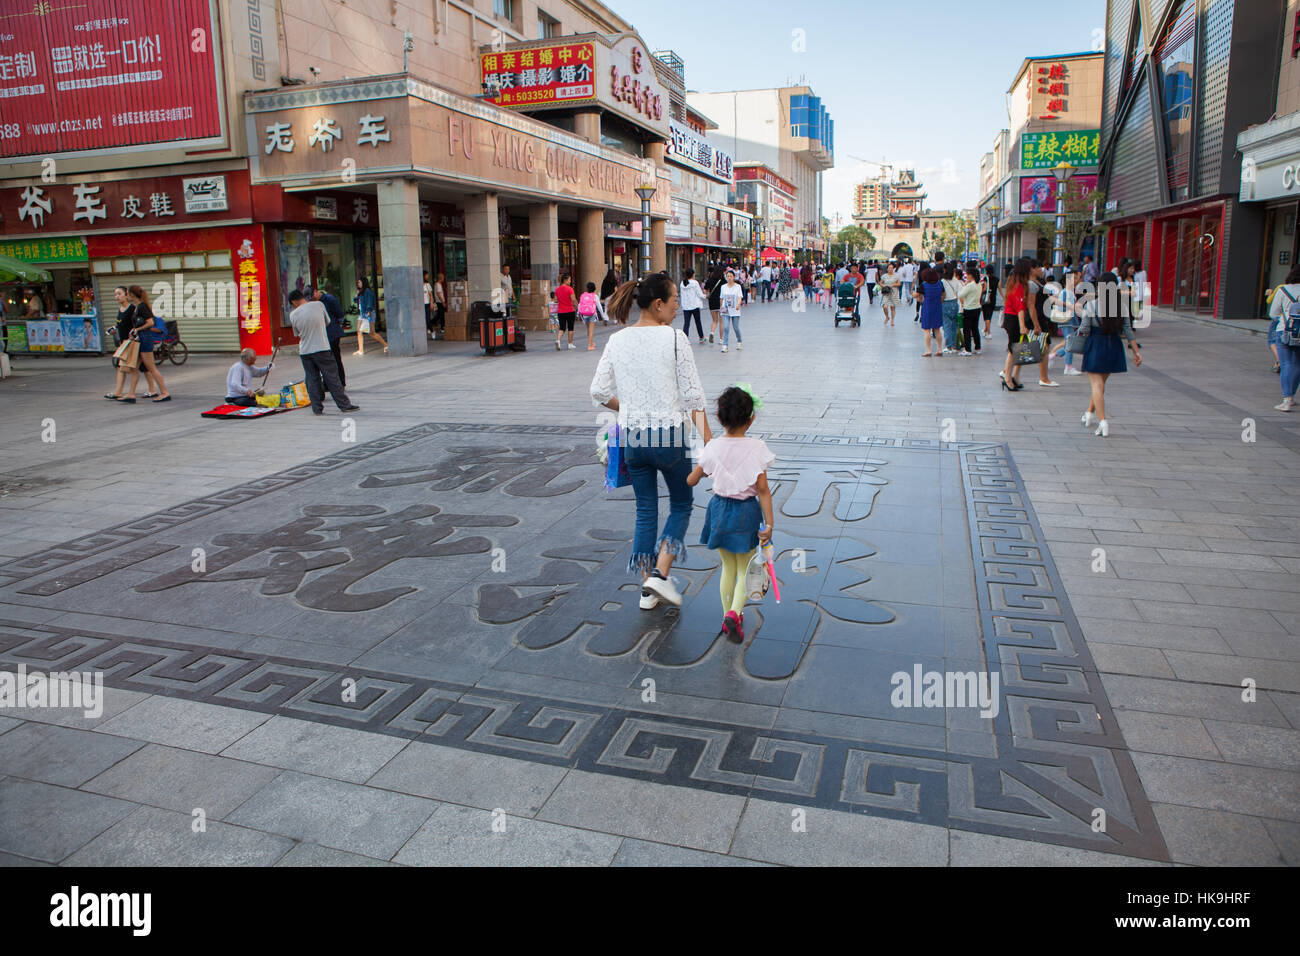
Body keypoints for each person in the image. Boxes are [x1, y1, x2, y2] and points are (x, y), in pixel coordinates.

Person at [590, 273, 711, 609]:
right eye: (674, 302)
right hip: (669, 438)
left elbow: (598, 391)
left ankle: (647, 589)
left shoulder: (617, 340)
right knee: (682, 504)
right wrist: (712, 445)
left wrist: (627, 406)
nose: (677, 309)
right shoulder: (674, 339)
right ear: (659, 304)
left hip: (633, 439)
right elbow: (692, 398)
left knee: (645, 510)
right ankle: (660, 574)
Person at [686, 386, 776, 644]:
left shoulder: (713, 447)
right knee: (746, 569)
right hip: (746, 512)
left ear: (719, 418)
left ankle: (727, 614)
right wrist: (769, 524)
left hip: (719, 512)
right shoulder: (756, 447)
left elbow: (691, 480)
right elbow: (763, 490)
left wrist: (701, 470)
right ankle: (735, 614)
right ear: (751, 419)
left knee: (727, 567)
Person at [1078, 273, 1143, 436]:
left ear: (1100, 287)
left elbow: (1084, 330)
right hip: (1113, 346)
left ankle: (1103, 422)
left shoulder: (1091, 305)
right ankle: (1089, 413)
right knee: (1100, 386)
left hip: (1095, 345)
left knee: (1096, 386)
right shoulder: (1121, 307)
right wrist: (1136, 352)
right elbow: (1128, 331)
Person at [289, 289, 359, 415]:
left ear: (293, 302)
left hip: (305, 351)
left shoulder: (293, 314)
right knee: (332, 377)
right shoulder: (319, 305)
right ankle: (344, 405)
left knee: (311, 379)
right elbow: (328, 322)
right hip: (321, 347)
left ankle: (317, 408)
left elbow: (296, 333)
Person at [128, 285, 170, 402]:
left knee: (151, 368)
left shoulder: (142, 307)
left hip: (145, 339)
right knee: (134, 368)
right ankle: (131, 394)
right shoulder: (137, 307)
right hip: (140, 340)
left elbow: (150, 322)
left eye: (128, 293)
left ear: (132, 294)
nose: (127, 296)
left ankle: (164, 392)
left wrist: (138, 329)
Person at [1267, 262, 1300, 411]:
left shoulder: (1283, 290)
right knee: (1297, 364)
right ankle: (1291, 398)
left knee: (1287, 364)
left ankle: (1287, 400)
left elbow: (1273, 313)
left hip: (1284, 331)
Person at [999, 258, 1033, 391]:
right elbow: (1020, 308)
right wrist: (1022, 326)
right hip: (1014, 319)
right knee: (1014, 350)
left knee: (1017, 349)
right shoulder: (1019, 286)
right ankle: (1008, 378)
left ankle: (1014, 377)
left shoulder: (1013, 283)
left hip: (1010, 318)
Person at [104, 285, 141, 402]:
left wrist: (134, 335)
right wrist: (114, 329)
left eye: (119, 294)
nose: (117, 296)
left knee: (134, 368)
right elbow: (121, 325)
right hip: (124, 343)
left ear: (127, 295)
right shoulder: (120, 310)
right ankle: (118, 392)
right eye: (115, 294)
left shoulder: (132, 309)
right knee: (121, 368)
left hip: (134, 342)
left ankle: (132, 394)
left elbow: (137, 324)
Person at [1027, 260, 1059, 386]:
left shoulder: (1037, 283)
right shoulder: (1031, 284)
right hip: (1037, 320)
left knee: (1037, 348)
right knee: (1041, 348)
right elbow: (1031, 305)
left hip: (1040, 319)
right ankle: (1044, 378)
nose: (1042, 270)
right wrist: (1036, 324)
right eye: (1039, 267)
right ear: (1032, 269)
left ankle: (1009, 372)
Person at [310, 286, 348, 387]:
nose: (312, 299)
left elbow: (339, 314)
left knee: (335, 358)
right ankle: (327, 383)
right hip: (321, 334)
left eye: (312, 296)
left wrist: (336, 324)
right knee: (324, 359)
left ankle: (341, 381)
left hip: (332, 333)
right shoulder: (313, 303)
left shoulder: (329, 299)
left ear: (316, 291)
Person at [353, 277, 387, 355]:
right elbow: (355, 300)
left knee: (372, 333)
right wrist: (357, 294)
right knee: (359, 331)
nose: (358, 284)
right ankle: (360, 349)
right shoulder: (361, 292)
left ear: (363, 283)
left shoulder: (368, 292)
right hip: (362, 313)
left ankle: (385, 345)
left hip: (368, 313)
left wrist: (368, 311)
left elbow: (370, 302)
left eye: (359, 282)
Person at [915, 267, 945, 357]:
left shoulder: (924, 285)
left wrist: (914, 295)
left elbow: (915, 294)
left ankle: (928, 350)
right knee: (937, 329)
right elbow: (943, 294)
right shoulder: (940, 284)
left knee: (927, 330)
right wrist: (941, 301)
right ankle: (940, 349)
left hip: (927, 308)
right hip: (937, 307)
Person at [958, 266, 983, 355]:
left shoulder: (970, 285)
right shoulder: (979, 284)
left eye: (967, 274)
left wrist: (965, 285)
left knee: (967, 329)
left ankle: (968, 349)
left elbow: (960, 294)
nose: (966, 276)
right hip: (977, 308)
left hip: (969, 309)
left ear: (971, 275)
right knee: (975, 328)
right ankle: (978, 347)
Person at [719, 268, 744, 353]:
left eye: (731, 276)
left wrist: (738, 304)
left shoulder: (738, 287)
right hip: (725, 310)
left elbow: (740, 297)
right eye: (727, 276)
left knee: (736, 327)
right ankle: (725, 345)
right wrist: (721, 308)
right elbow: (721, 298)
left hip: (735, 310)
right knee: (726, 327)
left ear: (734, 277)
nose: (729, 278)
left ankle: (739, 341)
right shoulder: (723, 287)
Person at [940, 262, 961, 355]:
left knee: (947, 325)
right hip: (955, 303)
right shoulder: (956, 280)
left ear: (945, 270)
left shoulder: (943, 281)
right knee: (954, 325)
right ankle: (954, 346)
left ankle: (948, 346)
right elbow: (959, 291)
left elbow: (942, 294)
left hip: (946, 303)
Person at [680, 268, 705, 343]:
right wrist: (705, 296)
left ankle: (685, 339)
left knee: (686, 323)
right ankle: (701, 337)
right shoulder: (694, 283)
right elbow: (699, 293)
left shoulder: (682, 283)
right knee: (698, 322)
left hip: (686, 306)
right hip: (694, 305)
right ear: (693, 274)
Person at [554, 273, 577, 350]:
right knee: (571, 328)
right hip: (570, 311)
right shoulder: (570, 289)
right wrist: (577, 307)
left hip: (561, 311)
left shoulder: (557, 289)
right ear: (565, 280)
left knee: (562, 328)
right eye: (569, 280)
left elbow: (555, 300)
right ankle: (570, 344)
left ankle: (558, 340)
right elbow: (573, 300)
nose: (570, 281)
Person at [704, 265, 726, 344]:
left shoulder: (710, 279)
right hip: (721, 302)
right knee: (721, 322)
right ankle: (721, 340)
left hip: (712, 301)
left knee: (714, 321)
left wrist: (707, 295)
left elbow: (705, 289)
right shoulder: (723, 280)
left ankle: (712, 332)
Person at [578, 281, 602, 351]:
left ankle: (591, 343)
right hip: (592, 314)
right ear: (594, 288)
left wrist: (579, 314)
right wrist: (603, 315)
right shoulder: (595, 296)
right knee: (591, 330)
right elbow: (599, 306)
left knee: (588, 330)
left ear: (587, 288)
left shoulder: (583, 295)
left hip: (585, 314)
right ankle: (590, 345)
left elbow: (580, 305)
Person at [877, 262, 901, 326]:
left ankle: (892, 320)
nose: (890, 269)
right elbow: (880, 282)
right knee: (885, 306)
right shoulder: (884, 276)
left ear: (893, 269)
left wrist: (893, 284)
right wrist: (884, 286)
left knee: (892, 307)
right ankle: (887, 317)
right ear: (887, 269)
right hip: (886, 293)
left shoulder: (896, 276)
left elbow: (899, 283)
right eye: (889, 268)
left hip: (894, 292)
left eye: (891, 268)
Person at [981, 264, 999, 339]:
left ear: (986, 270)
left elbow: (984, 289)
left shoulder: (986, 278)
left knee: (986, 317)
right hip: (993, 299)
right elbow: (1000, 288)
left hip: (986, 299)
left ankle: (989, 333)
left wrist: (980, 292)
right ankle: (985, 330)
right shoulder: (996, 279)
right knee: (989, 316)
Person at [433, 272, 447, 336]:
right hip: (439, 302)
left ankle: (432, 323)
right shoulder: (438, 285)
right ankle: (442, 327)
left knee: (439, 314)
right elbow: (439, 294)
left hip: (439, 301)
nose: (444, 279)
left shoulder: (438, 284)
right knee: (441, 315)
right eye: (443, 277)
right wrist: (443, 302)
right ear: (441, 278)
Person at [423, 271, 434, 337]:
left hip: (427, 304)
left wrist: (431, 303)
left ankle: (432, 330)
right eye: (426, 275)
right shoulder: (418, 284)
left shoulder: (427, 285)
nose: (428, 276)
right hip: (420, 305)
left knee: (427, 319)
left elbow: (431, 295)